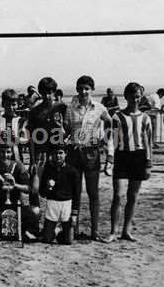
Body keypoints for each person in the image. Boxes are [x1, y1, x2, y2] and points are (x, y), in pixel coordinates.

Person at [65, 75, 113, 242]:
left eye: (87, 88)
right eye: (80, 88)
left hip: (92, 154)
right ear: (77, 90)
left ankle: (95, 231)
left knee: (93, 193)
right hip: (74, 153)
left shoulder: (99, 108)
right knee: (75, 192)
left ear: (92, 90)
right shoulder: (70, 109)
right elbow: (65, 130)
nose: (83, 91)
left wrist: (104, 140)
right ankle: (74, 230)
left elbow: (110, 122)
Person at [106, 82, 153, 243]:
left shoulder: (145, 118)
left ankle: (126, 231)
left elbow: (148, 143)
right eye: (132, 96)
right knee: (118, 196)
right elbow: (111, 139)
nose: (135, 100)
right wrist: (110, 158)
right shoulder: (117, 117)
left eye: (138, 97)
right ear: (126, 97)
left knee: (133, 196)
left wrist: (148, 163)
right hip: (122, 157)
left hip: (139, 157)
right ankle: (113, 232)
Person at [0, 143, 38, 240]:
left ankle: (24, 230)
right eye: (2, 152)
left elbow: (28, 189)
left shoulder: (18, 166)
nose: (5, 155)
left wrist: (15, 185)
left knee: (35, 211)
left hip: (16, 206)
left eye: (8, 152)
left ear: (12, 153)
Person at [27, 77, 67, 218]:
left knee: (56, 188)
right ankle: (35, 219)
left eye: (50, 92)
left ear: (55, 92)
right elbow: (31, 138)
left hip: (57, 154)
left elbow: (68, 131)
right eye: (44, 92)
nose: (47, 95)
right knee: (34, 188)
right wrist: (32, 161)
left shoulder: (62, 108)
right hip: (40, 155)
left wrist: (62, 129)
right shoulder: (34, 112)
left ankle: (54, 223)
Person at [40, 145, 80, 245]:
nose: (58, 156)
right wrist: (48, 187)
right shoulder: (48, 170)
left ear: (65, 154)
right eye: (55, 153)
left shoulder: (72, 171)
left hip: (67, 204)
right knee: (47, 240)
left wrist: (74, 214)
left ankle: (61, 231)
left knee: (68, 241)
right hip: (52, 203)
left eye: (60, 153)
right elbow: (42, 193)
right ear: (51, 155)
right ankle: (52, 231)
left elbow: (76, 194)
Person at [0, 89, 29, 162]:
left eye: (13, 105)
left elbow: (27, 140)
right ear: (3, 104)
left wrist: (15, 138)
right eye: (8, 105)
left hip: (17, 159)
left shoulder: (22, 121)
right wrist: (0, 136)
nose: (11, 107)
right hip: (0, 160)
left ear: (17, 105)